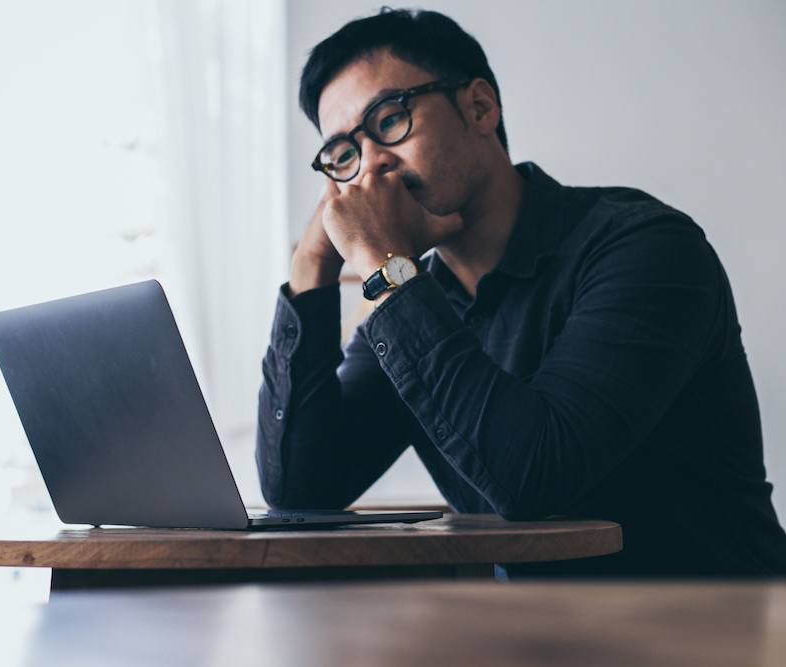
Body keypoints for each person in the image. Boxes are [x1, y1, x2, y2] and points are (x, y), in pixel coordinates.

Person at [255, 8, 786, 577]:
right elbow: (301, 490)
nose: (370, 169)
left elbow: (534, 479)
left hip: (723, 633)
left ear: (479, 107)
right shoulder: (417, 300)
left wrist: (385, 267)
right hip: (542, 640)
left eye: (389, 120)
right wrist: (310, 268)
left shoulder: (646, 248)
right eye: (343, 155)